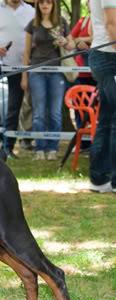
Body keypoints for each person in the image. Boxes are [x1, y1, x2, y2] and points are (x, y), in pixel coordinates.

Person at [21, 0, 75, 161]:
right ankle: (40, 148)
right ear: (38, 6)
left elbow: (72, 45)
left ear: (53, 5)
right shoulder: (33, 24)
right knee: (38, 113)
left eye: (48, 2)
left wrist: (65, 42)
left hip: (57, 73)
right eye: (42, 3)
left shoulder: (62, 22)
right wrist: (24, 76)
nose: (45, 5)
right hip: (36, 72)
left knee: (55, 113)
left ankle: (52, 148)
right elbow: (26, 52)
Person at [0, 0, 35, 158]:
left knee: (14, 107)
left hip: (19, 66)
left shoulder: (30, 10)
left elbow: (35, 36)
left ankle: (7, 147)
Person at [87, 0, 116, 193]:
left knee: (107, 119)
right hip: (109, 56)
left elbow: (93, 27)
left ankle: (99, 179)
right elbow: (111, 23)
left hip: (104, 53)